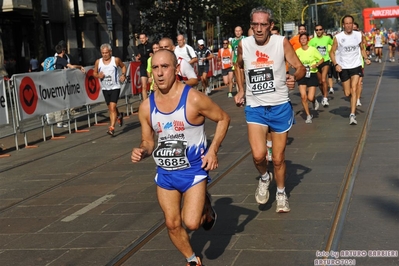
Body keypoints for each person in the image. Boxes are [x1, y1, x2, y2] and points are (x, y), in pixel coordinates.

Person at [131, 49, 230, 266]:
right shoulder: (146, 106)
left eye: (164, 67)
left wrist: (213, 150)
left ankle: (206, 207)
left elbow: (223, 118)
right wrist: (142, 150)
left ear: (176, 69)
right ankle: (192, 259)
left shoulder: (193, 98)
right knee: (172, 223)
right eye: (155, 68)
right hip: (165, 172)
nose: (159, 73)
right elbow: (148, 141)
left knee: (192, 223)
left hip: (193, 170)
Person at [234, 6, 306, 212]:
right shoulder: (244, 44)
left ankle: (281, 193)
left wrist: (294, 77)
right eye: (254, 24)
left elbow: (300, 67)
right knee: (258, 156)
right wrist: (241, 90)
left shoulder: (280, 42)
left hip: (279, 106)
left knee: (278, 158)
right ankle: (265, 178)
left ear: (271, 25)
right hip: (255, 107)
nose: (258, 28)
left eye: (263, 24)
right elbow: (238, 66)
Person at [330, 15, 371, 125]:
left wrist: (366, 58)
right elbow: (331, 52)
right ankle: (352, 102)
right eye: (346, 23)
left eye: (350, 23)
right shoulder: (338, 37)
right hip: (343, 67)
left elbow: (362, 48)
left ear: (353, 24)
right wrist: (336, 64)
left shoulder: (358, 35)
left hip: (356, 65)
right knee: (347, 92)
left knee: (354, 89)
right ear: (343, 25)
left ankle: (352, 114)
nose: (348, 25)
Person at [92, 43, 127, 136]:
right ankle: (119, 115)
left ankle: (111, 128)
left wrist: (123, 75)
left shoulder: (115, 60)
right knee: (111, 108)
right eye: (103, 53)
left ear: (110, 52)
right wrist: (98, 75)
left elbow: (123, 66)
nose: (104, 55)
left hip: (115, 87)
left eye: (106, 53)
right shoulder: (98, 62)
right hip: (105, 88)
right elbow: (94, 73)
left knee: (112, 108)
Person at [53, 44, 86, 128]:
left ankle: (58, 119)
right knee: (62, 102)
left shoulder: (55, 59)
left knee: (61, 102)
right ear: (63, 51)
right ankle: (60, 121)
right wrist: (80, 67)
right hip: (60, 83)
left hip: (57, 82)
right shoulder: (60, 59)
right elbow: (71, 66)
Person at [296, 33, 324, 124]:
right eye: (302, 39)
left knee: (310, 97)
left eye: (305, 38)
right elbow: (293, 62)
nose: (303, 40)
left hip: (311, 73)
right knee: (303, 96)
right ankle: (308, 115)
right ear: (299, 40)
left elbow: (321, 59)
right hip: (302, 75)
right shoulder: (297, 51)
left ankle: (314, 100)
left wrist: (316, 64)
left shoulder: (312, 50)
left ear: (307, 40)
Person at [309, 24, 333, 106]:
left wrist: (333, 55)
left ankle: (325, 98)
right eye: (317, 30)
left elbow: (334, 45)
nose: (319, 31)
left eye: (320, 29)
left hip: (325, 61)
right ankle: (323, 94)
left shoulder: (327, 38)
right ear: (315, 31)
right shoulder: (312, 41)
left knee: (323, 79)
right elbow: (309, 51)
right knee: (319, 82)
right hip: (316, 63)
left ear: (323, 30)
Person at [137, 33, 153, 100]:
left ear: (146, 38)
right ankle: (145, 103)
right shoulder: (139, 46)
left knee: (153, 85)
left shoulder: (151, 45)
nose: (142, 40)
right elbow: (138, 55)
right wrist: (137, 57)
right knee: (144, 86)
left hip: (150, 66)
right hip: (143, 66)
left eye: (143, 38)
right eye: (140, 38)